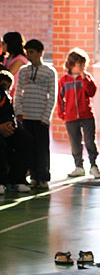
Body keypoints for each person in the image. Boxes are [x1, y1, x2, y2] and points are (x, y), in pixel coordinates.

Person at [13, 39, 58, 189]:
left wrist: (46, 117)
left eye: (32, 52)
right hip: (26, 116)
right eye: (27, 52)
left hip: (40, 118)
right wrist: (18, 111)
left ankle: (43, 177)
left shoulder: (49, 72)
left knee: (42, 148)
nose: (29, 55)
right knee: (29, 148)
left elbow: (52, 96)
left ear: (40, 53)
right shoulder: (23, 71)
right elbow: (18, 92)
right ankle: (33, 176)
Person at [57, 48, 100, 179]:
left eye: (83, 64)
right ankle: (79, 166)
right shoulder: (64, 80)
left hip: (86, 115)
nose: (82, 67)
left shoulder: (87, 78)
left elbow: (91, 92)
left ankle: (93, 165)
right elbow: (60, 98)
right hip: (71, 117)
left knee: (90, 141)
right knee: (75, 142)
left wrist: (84, 79)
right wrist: (62, 113)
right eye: (79, 64)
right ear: (71, 64)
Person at [0, 70, 34, 193]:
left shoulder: (7, 98)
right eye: (3, 85)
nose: (4, 89)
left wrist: (9, 125)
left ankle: (16, 180)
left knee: (26, 139)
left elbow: (9, 114)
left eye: (7, 87)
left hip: (5, 128)